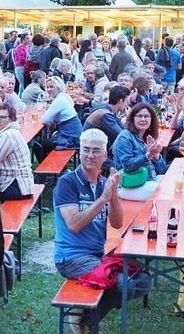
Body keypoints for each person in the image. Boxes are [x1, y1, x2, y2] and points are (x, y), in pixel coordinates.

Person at [54, 129, 152, 332]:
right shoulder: (67, 183)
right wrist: (103, 199)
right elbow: (74, 224)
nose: (90, 155)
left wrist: (113, 194)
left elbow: (117, 223)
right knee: (124, 284)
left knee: (143, 280)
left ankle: (83, 313)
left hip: (97, 255)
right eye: (86, 150)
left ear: (105, 155)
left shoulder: (102, 184)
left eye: (96, 151)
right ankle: (87, 321)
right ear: (79, 152)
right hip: (71, 258)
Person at [112, 102, 166, 200]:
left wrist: (156, 156)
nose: (143, 119)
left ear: (151, 119)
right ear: (133, 118)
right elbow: (127, 166)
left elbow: (162, 170)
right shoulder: (125, 136)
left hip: (148, 180)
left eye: (146, 116)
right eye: (139, 116)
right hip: (129, 184)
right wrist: (148, 156)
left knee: (171, 181)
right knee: (160, 190)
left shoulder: (147, 137)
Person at [83, 85, 132, 156]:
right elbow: (122, 136)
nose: (127, 105)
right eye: (126, 102)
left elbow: (123, 130)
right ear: (121, 101)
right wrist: (129, 119)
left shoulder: (109, 110)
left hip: (98, 148)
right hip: (92, 153)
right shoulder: (105, 115)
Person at [42, 77, 82, 150]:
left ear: (58, 87)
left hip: (70, 138)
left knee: (41, 144)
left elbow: (45, 120)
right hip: (75, 134)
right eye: (47, 87)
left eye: (51, 87)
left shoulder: (59, 100)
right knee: (46, 142)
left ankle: (50, 161)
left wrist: (52, 119)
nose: (48, 89)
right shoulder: (64, 96)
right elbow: (72, 104)